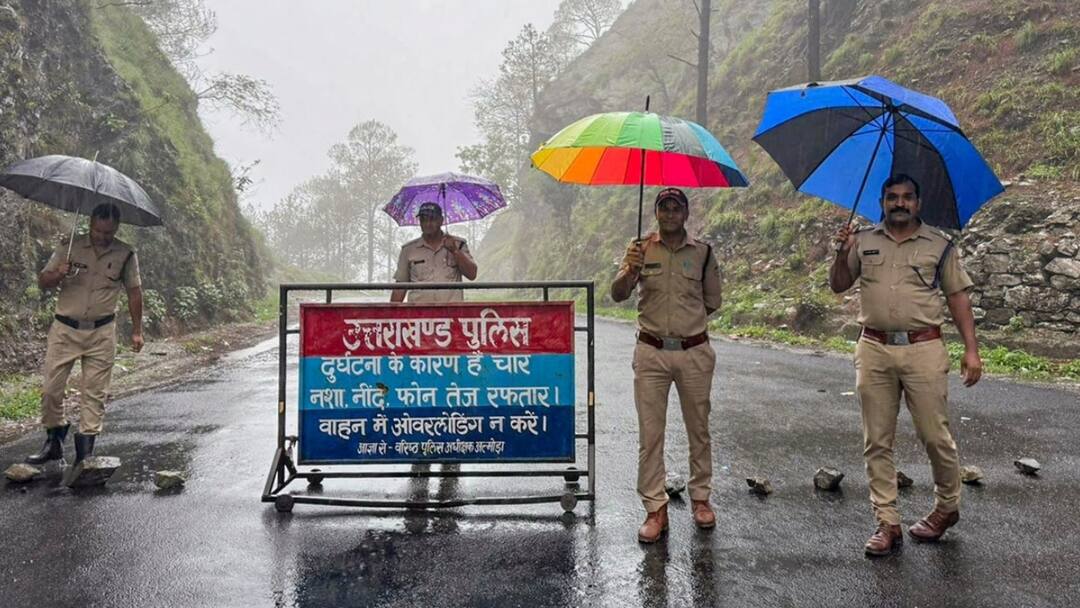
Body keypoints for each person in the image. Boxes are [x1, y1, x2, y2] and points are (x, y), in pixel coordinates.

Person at [829, 173, 983, 557]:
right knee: (877, 440)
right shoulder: (863, 240)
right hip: (874, 349)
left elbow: (958, 298)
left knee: (935, 436)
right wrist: (839, 252)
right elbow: (838, 284)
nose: (899, 203)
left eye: (907, 197)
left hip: (924, 349)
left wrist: (971, 350)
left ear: (918, 202)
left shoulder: (940, 246)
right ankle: (887, 522)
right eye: (892, 197)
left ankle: (947, 507)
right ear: (882, 201)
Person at [610, 187, 723, 543]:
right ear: (656, 212)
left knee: (698, 429)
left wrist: (687, 326)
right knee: (650, 434)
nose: (670, 213)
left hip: (693, 352)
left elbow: (713, 301)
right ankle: (654, 508)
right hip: (651, 352)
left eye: (676, 207)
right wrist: (629, 270)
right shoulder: (640, 250)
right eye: (664, 207)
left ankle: (701, 498)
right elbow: (616, 294)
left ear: (686, 213)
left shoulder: (703, 253)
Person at [26, 202, 143, 468]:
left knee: (94, 394)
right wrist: (59, 273)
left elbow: (135, 292)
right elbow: (43, 281)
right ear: (90, 224)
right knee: (50, 391)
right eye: (98, 231)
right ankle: (54, 443)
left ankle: (85, 455)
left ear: (116, 229)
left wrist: (137, 331)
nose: (102, 237)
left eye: (108, 233)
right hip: (64, 330)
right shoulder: (70, 246)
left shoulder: (126, 254)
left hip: (101, 333)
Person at [391, 202, 478, 303]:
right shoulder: (408, 250)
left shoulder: (458, 244)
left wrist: (455, 251)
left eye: (432, 219)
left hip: (451, 314)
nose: (428, 224)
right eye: (423, 220)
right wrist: (389, 316)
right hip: (419, 314)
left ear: (441, 221)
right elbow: (400, 287)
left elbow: (472, 274)